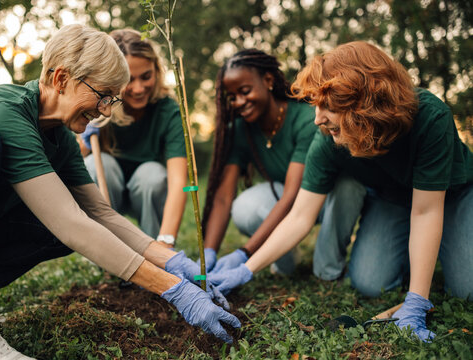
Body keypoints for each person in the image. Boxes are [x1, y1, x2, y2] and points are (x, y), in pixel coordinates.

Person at [0, 24, 239, 359]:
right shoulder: (6, 113)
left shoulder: (57, 135)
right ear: (62, 78)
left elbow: (100, 214)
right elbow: (70, 221)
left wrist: (176, 263)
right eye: (103, 95)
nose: (107, 110)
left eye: (113, 99)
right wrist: (174, 290)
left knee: (60, 231)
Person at [207, 41, 473, 343]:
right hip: (395, 201)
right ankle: (419, 259)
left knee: (468, 289)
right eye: (315, 106)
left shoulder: (429, 117)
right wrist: (246, 269)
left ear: (362, 100)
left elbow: (427, 210)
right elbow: (299, 217)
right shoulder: (328, 138)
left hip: (451, 195)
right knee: (370, 282)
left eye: (327, 105)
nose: (317, 118)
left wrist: (416, 303)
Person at [201, 49, 364, 277]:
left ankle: (328, 264)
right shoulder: (240, 130)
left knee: (325, 270)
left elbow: (292, 195)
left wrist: (245, 254)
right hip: (287, 201)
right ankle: (285, 262)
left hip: (325, 199)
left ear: (268, 81)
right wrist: (208, 252)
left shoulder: (305, 119)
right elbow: (222, 197)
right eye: (232, 97)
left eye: (245, 91)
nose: (239, 102)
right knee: (244, 207)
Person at [80, 29, 187, 247]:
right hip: (111, 190)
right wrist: (82, 139)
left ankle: (155, 250)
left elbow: (178, 182)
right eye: (129, 79)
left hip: (146, 192)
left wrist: (166, 242)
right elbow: (71, 163)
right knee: (96, 164)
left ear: (157, 70)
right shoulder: (99, 105)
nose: (139, 89)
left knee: (152, 175)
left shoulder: (169, 110)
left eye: (146, 76)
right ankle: (109, 249)